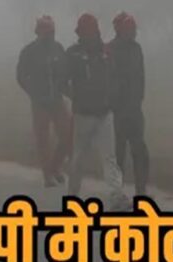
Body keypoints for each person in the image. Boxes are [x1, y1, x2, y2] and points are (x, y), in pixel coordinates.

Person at [65, 13, 130, 210]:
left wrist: (112, 97)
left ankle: (116, 196)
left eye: (93, 29)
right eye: (87, 30)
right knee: (78, 159)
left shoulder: (106, 52)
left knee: (110, 157)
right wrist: (74, 96)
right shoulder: (73, 54)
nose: (91, 33)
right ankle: (72, 195)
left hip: (104, 113)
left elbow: (115, 76)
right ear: (81, 33)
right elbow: (62, 80)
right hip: (83, 115)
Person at [16, 15, 72, 187]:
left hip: (57, 99)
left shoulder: (58, 48)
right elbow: (21, 76)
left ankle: (55, 167)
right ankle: (47, 175)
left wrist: (70, 92)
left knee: (68, 135)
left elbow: (65, 73)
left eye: (52, 31)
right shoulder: (29, 51)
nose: (49, 34)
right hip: (40, 101)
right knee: (43, 138)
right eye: (46, 31)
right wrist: (32, 91)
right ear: (38, 31)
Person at [109, 12, 149, 196]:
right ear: (120, 30)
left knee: (140, 151)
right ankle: (117, 192)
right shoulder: (109, 50)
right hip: (117, 111)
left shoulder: (136, 49)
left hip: (134, 109)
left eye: (134, 29)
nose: (133, 32)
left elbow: (141, 76)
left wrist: (138, 99)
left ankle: (141, 190)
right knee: (118, 154)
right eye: (130, 29)